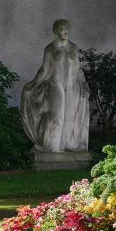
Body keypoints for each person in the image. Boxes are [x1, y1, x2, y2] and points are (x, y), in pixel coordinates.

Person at [21, 19, 89, 153]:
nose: (66, 31)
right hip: (55, 84)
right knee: (56, 117)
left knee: (70, 117)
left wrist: (84, 84)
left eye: (67, 29)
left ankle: (67, 145)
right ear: (56, 31)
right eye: (62, 29)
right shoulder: (50, 49)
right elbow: (45, 70)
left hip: (72, 86)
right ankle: (52, 147)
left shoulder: (73, 48)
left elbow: (78, 69)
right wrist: (34, 83)